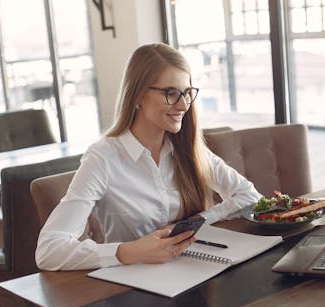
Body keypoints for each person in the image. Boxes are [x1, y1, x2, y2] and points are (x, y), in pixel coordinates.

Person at [35, 43, 261, 271]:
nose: (183, 105)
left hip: (192, 271)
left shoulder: (186, 147)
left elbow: (250, 197)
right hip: (133, 285)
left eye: (187, 93)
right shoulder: (102, 158)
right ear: (138, 95)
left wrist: (192, 223)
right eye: (171, 93)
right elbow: (49, 250)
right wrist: (131, 250)